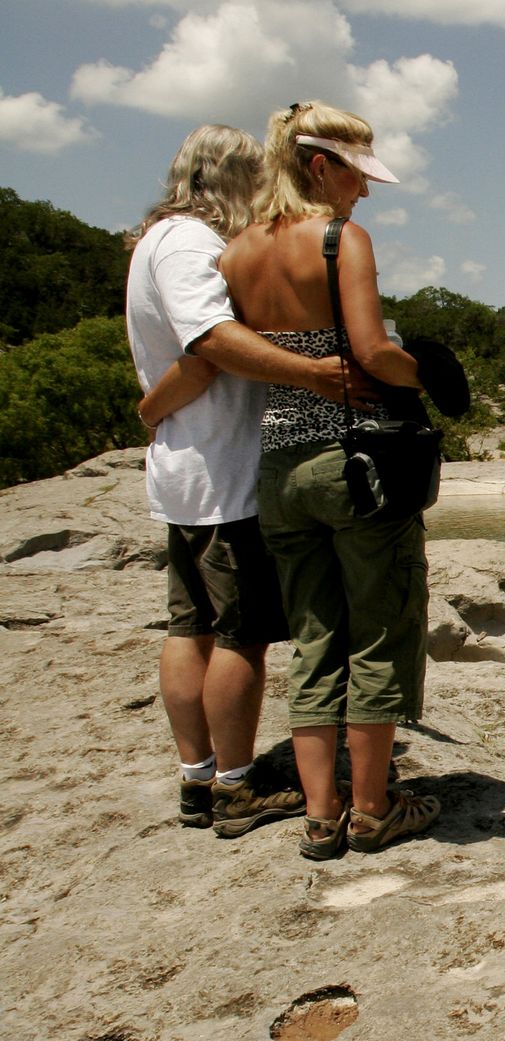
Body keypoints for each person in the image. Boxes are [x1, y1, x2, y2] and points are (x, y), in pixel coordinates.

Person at [127, 124, 368, 837]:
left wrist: (151, 408)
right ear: (232, 177)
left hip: (186, 464)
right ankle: (233, 786)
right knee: (241, 635)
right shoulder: (191, 244)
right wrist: (313, 374)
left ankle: (198, 778)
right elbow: (207, 344)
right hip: (221, 468)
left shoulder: (155, 241)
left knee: (191, 624)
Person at [218, 101, 440, 859]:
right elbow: (373, 351)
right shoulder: (340, 240)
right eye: (357, 175)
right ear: (320, 166)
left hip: (280, 464)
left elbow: (233, 350)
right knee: (377, 629)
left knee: (313, 638)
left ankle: (321, 817)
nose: (365, 193)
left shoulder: (237, 252)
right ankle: (374, 808)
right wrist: (432, 377)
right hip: (357, 462)